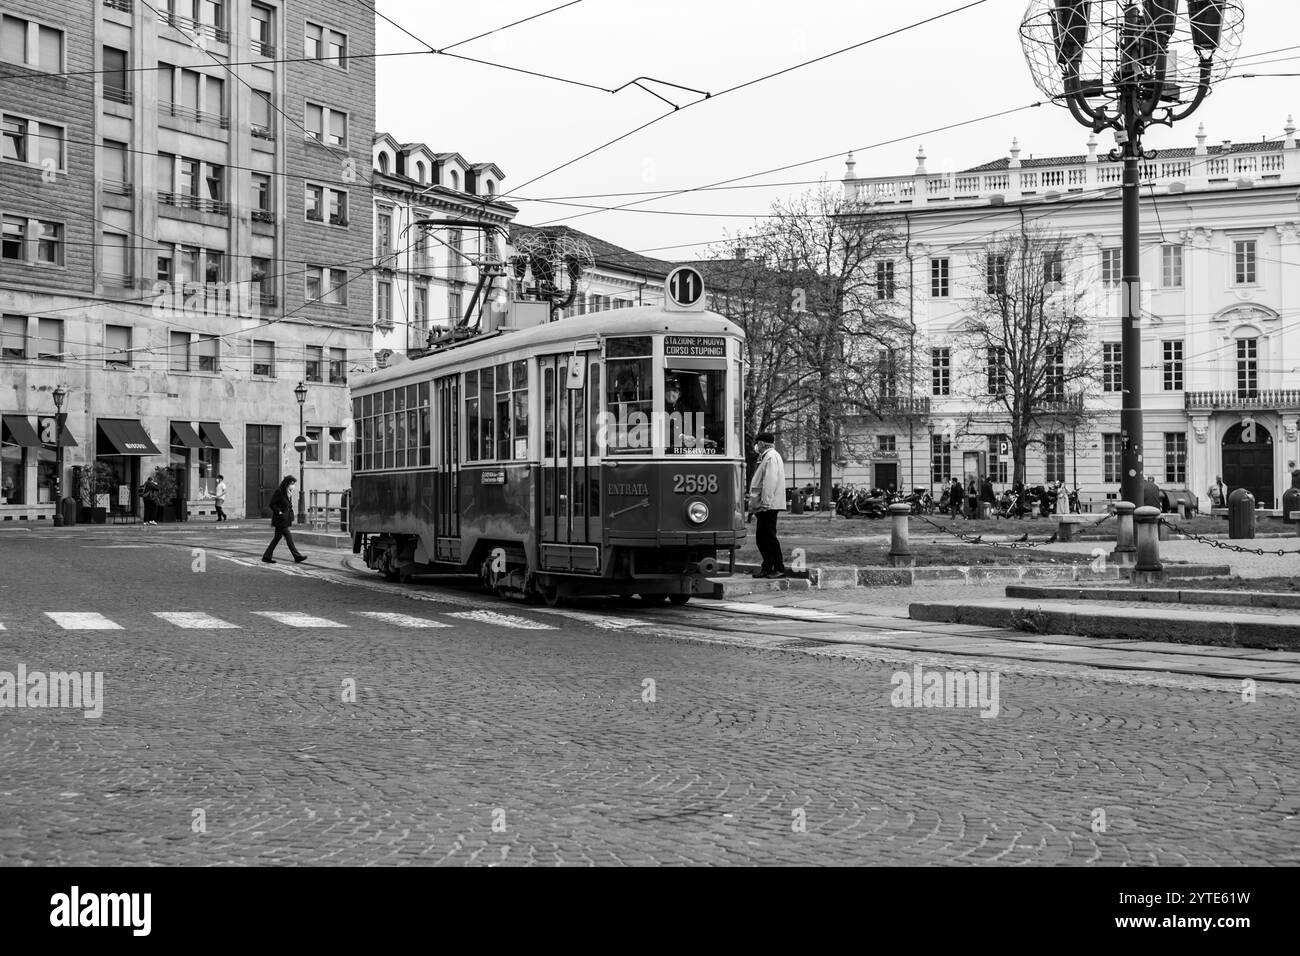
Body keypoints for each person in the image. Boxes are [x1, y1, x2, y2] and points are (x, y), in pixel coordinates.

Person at [748, 432, 786, 578]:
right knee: (762, 538)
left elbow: (769, 482)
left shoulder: (770, 457)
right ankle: (768, 567)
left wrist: (765, 503)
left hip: (768, 506)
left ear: (763, 443)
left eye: (758, 443)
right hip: (766, 504)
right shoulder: (767, 457)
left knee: (768, 537)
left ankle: (778, 568)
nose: (756, 445)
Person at [262, 476, 307, 564]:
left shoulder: (288, 493)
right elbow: (272, 504)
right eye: (292, 484)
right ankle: (297, 556)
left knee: (277, 537)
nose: (293, 486)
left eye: (294, 484)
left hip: (284, 519)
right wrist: (279, 512)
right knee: (289, 537)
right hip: (280, 520)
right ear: (287, 483)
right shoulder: (279, 491)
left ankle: (266, 557)